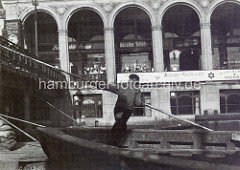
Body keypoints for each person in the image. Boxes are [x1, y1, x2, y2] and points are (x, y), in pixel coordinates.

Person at [111, 74, 143, 145]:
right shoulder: (137, 89)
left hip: (118, 108)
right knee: (121, 124)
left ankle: (117, 141)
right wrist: (142, 102)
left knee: (119, 123)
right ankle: (120, 142)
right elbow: (138, 103)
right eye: (137, 82)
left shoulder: (121, 85)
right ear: (134, 80)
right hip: (127, 110)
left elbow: (110, 87)